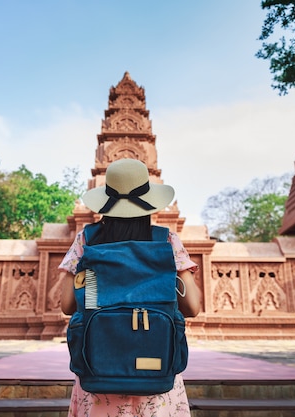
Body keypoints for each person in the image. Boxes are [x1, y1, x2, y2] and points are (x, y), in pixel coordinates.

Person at [59, 158, 201, 417]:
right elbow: (192, 306)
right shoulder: (166, 240)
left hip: (98, 374)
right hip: (156, 375)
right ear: (148, 201)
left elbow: (67, 305)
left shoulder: (86, 241)